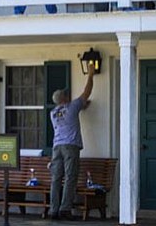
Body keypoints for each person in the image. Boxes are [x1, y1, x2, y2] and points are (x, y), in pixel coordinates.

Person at [49, 65, 95, 221]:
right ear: (64, 98)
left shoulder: (53, 113)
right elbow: (86, 92)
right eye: (66, 95)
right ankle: (65, 209)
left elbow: (69, 111)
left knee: (56, 178)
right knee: (70, 177)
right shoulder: (72, 106)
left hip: (56, 147)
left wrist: (82, 106)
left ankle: (53, 209)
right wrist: (90, 75)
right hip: (70, 146)